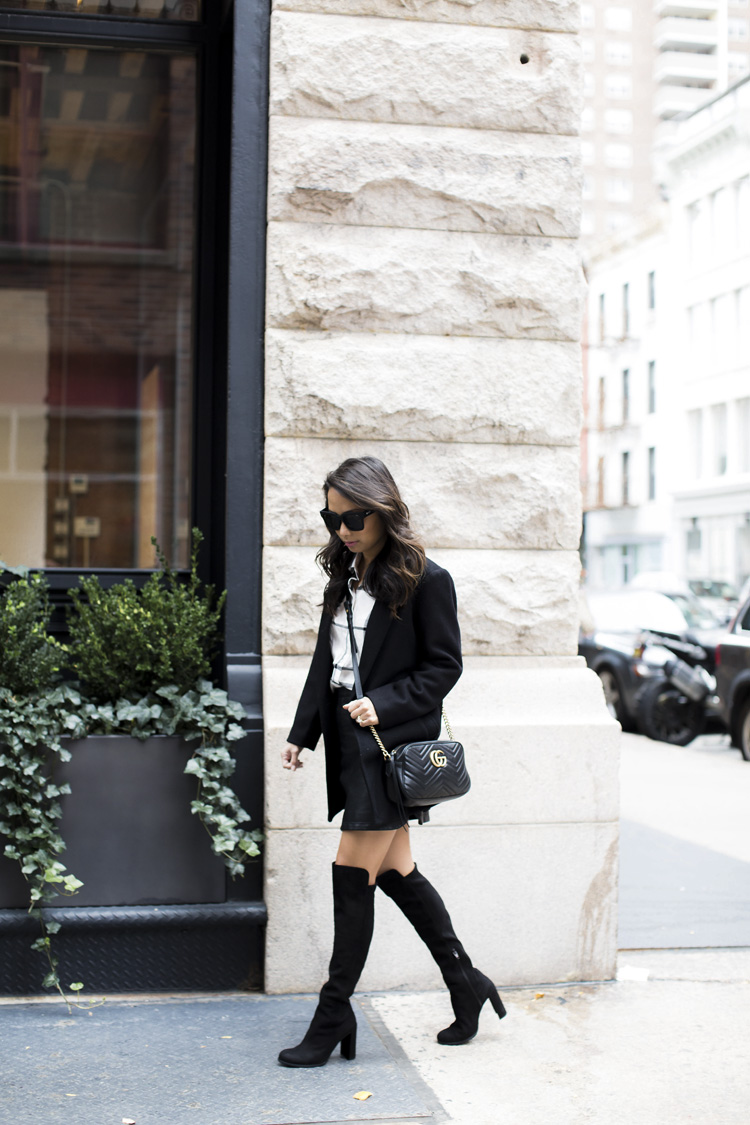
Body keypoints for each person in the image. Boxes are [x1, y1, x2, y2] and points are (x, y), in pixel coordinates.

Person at [277, 456, 506, 1069]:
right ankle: (466, 981)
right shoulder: (342, 577)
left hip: (390, 744)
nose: (342, 528)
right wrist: (302, 732)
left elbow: (443, 667)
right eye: (332, 517)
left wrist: (382, 703)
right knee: (398, 871)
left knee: (352, 873)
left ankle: (333, 1014)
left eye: (353, 516)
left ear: (383, 511)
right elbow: (326, 667)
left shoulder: (428, 579)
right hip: (351, 745)